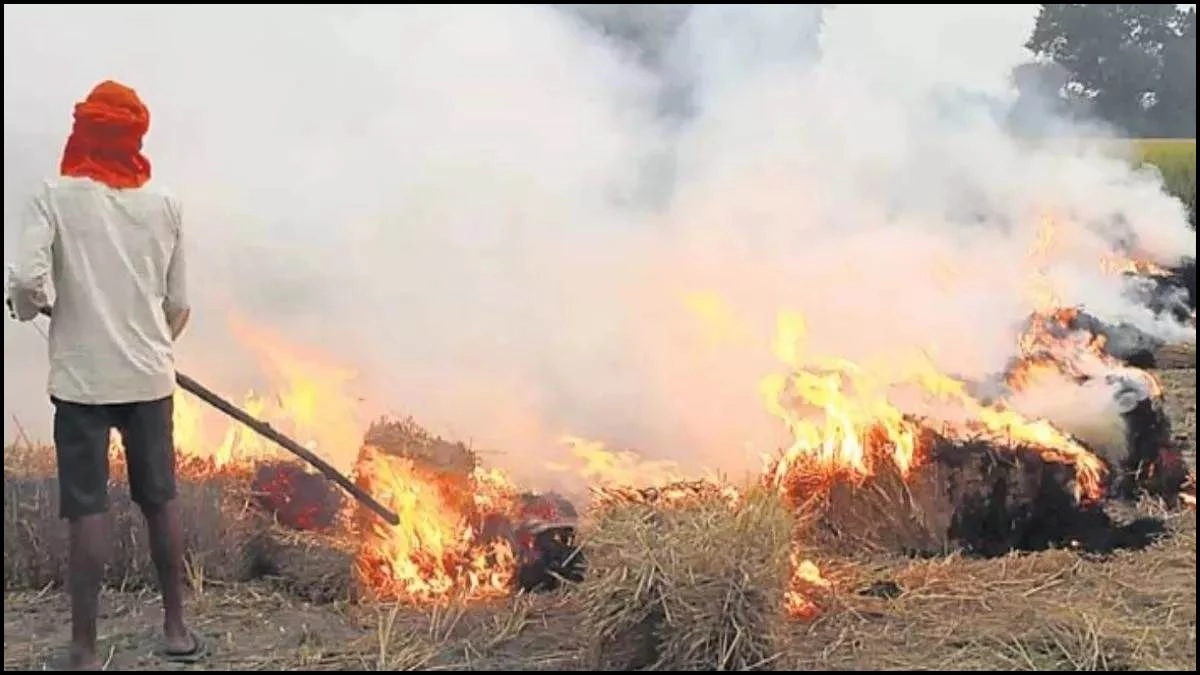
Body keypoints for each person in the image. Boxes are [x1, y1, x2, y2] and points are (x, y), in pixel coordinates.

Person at [6, 80, 205, 670]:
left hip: (82, 384)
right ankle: (176, 632)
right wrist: (149, 346)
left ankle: (85, 651)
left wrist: (26, 306)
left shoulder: (53, 197)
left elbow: (27, 283)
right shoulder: (165, 205)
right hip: (149, 380)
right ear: (134, 137)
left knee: (87, 509)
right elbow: (179, 304)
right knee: (160, 500)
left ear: (84, 132)